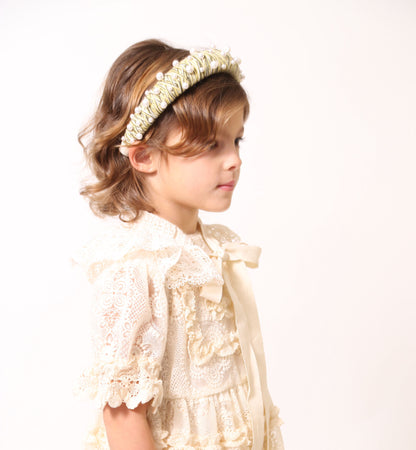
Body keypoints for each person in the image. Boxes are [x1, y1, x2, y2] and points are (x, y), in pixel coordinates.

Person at [74, 39, 284, 450]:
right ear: (144, 156)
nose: (234, 160)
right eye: (211, 145)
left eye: (235, 140)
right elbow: (122, 414)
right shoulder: (137, 267)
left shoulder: (209, 249)